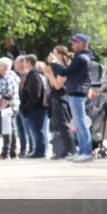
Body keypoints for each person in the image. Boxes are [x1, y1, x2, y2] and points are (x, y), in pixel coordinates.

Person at [48, 33, 96, 162]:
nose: (73, 45)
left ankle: (87, 152)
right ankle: (82, 151)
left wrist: (54, 64)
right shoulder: (81, 57)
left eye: (75, 42)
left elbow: (65, 72)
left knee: (81, 124)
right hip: (76, 92)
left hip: (77, 92)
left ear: (82, 44)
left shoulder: (81, 58)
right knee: (78, 124)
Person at [44, 46, 76, 159]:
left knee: (64, 125)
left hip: (61, 98)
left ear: (60, 55)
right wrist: (50, 73)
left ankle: (70, 150)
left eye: (54, 53)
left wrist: (50, 74)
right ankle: (60, 150)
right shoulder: (57, 69)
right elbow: (53, 85)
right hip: (55, 97)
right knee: (58, 126)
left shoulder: (64, 68)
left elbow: (58, 86)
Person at [18, 55, 49, 159]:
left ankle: (40, 151)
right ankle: (38, 150)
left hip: (36, 108)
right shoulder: (37, 75)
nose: (23, 64)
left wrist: (27, 107)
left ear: (29, 63)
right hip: (38, 107)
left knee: (37, 130)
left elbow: (35, 94)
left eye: (25, 62)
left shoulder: (34, 76)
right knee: (36, 130)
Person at [0, 57, 20, 159]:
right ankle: (12, 152)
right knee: (11, 129)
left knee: (6, 130)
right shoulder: (13, 76)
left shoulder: (6, 77)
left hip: (6, 107)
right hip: (13, 106)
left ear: (4, 67)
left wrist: (2, 108)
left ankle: (6, 152)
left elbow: (7, 94)